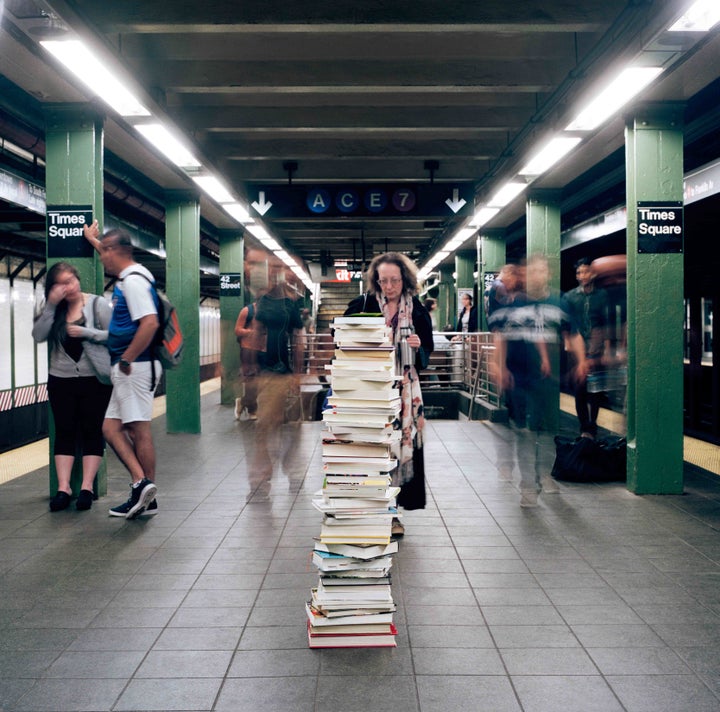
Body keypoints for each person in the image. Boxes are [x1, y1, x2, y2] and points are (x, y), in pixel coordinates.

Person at [344, 252, 434, 535]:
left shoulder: (418, 312)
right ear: (376, 281)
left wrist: (419, 348)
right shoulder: (362, 306)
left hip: (405, 394)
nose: (389, 286)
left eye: (394, 280)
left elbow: (427, 355)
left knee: (396, 451)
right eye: (383, 281)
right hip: (369, 391)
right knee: (372, 451)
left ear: (404, 280)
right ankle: (368, 508)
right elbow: (342, 341)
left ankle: (393, 514)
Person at [489, 254, 587, 507]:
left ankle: (544, 474)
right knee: (524, 431)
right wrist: (498, 366)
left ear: (548, 275)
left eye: (541, 271)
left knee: (547, 431)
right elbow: (500, 338)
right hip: (518, 378)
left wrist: (582, 360)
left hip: (547, 379)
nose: (536, 276)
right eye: (531, 271)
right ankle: (528, 486)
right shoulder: (510, 304)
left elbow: (573, 334)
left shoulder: (559, 302)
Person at [83, 221, 161, 519]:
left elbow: (150, 322)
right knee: (110, 428)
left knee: (138, 429)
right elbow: (109, 249)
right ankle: (143, 487)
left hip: (135, 367)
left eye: (105, 252)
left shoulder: (134, 282)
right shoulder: (132, 275)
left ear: (115, 251)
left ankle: (143, 488)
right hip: (130, 367)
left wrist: (127, 358)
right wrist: (94, 240)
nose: (102, 258)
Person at [32, 263, 113, 511]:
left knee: (92, 431)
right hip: (61, 379)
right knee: (64, 432)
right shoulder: (51, 309)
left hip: (94, 379)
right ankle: (63, 488)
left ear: (78, 279)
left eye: (72, 280)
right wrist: (52, 306)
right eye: (62, 284)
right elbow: (38, 335)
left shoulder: (97, 304)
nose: (69, 287)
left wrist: (87, 332)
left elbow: (117, 335)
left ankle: (87, 486)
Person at [245, 250, 305, 498]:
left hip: (284, 373)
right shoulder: (263, 304)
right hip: (268, 373)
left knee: (290, 426)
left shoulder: (290, 304)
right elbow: (256, 333)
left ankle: (291, 471)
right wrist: (249, 366)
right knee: (265, 426)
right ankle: (263, 476)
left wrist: (298, 374)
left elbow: (298, 340)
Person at [563, 257, 611, 439]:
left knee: (596, 390)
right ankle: (585, 427)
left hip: (596, 350)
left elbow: (605, 322)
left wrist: (606, 349)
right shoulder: (569, 296)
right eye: (579, 272)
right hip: (577, 351)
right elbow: (565, 324)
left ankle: (593, 423)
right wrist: (568, 344)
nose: (582, 275)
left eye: (585, 272)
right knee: (580, 389)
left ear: (593, 274)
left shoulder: (602, 296)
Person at [233, 301, 259, 420]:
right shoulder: (247, 311)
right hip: (248, 350)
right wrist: (252, 332)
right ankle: (252, 409)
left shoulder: (269, 313)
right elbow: (237, 330)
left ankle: (243, 402)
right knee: (251, 381)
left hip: (263, 350)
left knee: (262, 380)